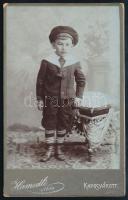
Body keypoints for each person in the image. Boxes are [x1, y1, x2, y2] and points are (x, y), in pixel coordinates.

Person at [36, 26, 86, 162]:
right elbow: (40, 82)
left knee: (63, 123)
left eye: (67, 44)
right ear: (53, 44)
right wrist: (40, 99)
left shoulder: (74, 62)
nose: (63, 47)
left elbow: (81, 81)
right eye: (60, 44)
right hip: (50, 99)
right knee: (50, 122)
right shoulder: (47, 61)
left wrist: (78, 97)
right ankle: (50, 148)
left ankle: (59, 148)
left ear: (72, 46)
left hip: (67, 100)